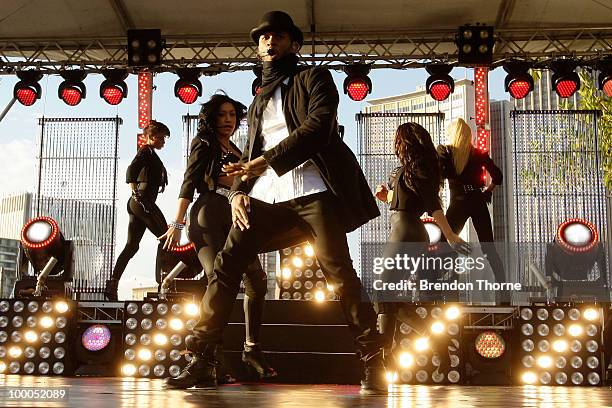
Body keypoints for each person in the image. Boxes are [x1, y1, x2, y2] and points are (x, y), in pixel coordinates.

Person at [164, 10, 385, 393]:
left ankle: (372, 362)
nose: (269, 41)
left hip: (313, 192)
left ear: (293, 44)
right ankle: (201, 359)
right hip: (265, 197)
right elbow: (245, 162)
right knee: (226, 266)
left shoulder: (314, 78)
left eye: (278, 36)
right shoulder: (258, 101)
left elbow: (318, 128)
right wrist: (237, 194)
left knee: (340, 275)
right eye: (264, 37)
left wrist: (266, 161)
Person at [159, 93, 276, 381]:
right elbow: (189, 181)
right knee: (218, 280)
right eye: (222, 115)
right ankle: (205, 360)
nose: (227, 120)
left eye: (232, 115)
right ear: (211, 118)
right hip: (209, 214)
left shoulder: (239, 149)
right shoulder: (205, 143)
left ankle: (251, 349)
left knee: (257, 281)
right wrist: (177, 222)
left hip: (236, 218)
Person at [374, 122, 470, 376]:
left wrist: (449, 234)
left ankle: (386, 355)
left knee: (382, 293)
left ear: (404, 141)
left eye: (397, 139)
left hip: (407, 231)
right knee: (388, 298)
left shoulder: (419, 168)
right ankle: (432, 347)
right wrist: (387, 197)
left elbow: (432, 203)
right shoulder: (408, 169)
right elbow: (404, 201)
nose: (394, 143)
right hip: (404, 230)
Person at [436, 118, 505, 302]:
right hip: (477, 200)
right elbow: (498, 176)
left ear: (453, 134)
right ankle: (504, 294)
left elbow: (440, 174)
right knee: (489, 249)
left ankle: (445, 290)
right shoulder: (478, 153)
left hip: (458, 202)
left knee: (444, 243)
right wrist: (488, 191)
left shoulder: (445, 151)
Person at [105, 120, 170, 300]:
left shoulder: (151, 153)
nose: (164, 141)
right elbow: (131, 170)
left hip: (140, 203)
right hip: (141, 202)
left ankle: (112, 285)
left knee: (132, 246)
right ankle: (164, 285)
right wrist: (135, 192)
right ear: (151, 137)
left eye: (165, 138)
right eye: (161, 137)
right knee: (166, 238)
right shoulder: (145, 150)